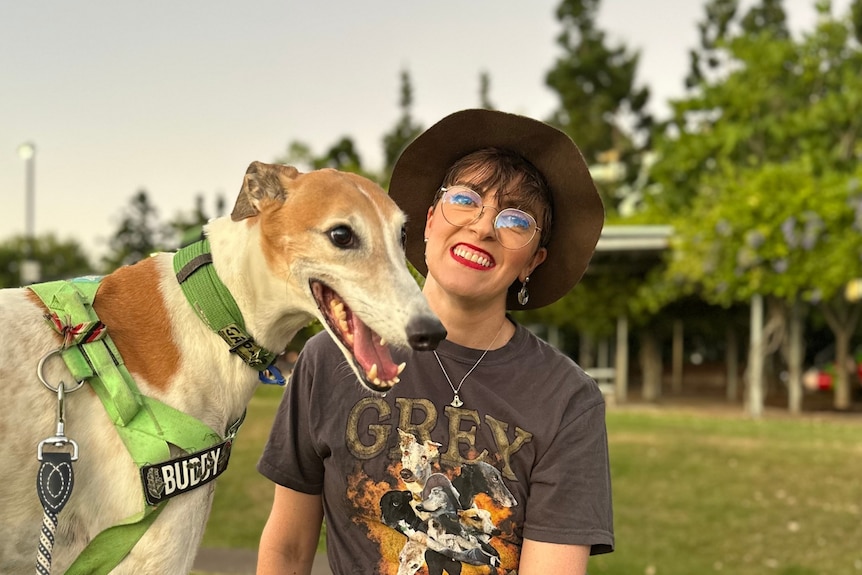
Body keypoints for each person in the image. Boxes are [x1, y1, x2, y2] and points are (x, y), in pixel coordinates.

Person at [256, 109, 614, 575]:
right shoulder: (330, 358)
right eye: (465, 199)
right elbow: (287, 548)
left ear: (533, 261)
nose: (483, 227)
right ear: (428, 221)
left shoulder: (567, 400)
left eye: (516, 220)